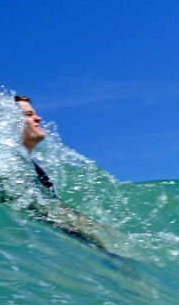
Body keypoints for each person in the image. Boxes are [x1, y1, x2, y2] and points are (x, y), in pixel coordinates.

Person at [13, 95, 108, 248]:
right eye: (29, 115)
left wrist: (92, 225)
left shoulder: (30, 166)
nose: (39, 118)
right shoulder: (13, 164)